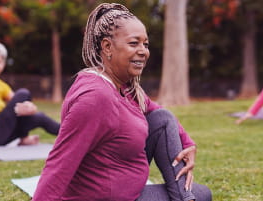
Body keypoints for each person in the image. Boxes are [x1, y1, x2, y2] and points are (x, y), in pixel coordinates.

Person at [33, 3, 211, 201]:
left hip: (130, 190)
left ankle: (185, 197)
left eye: (145, 44)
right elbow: (60, 162)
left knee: (162, 118)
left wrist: (188, 144)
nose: (143, 51)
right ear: (107, 46)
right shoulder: (95, 98)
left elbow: (157, 112)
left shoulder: (125, 86)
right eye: (134, 43)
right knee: (203, 194)